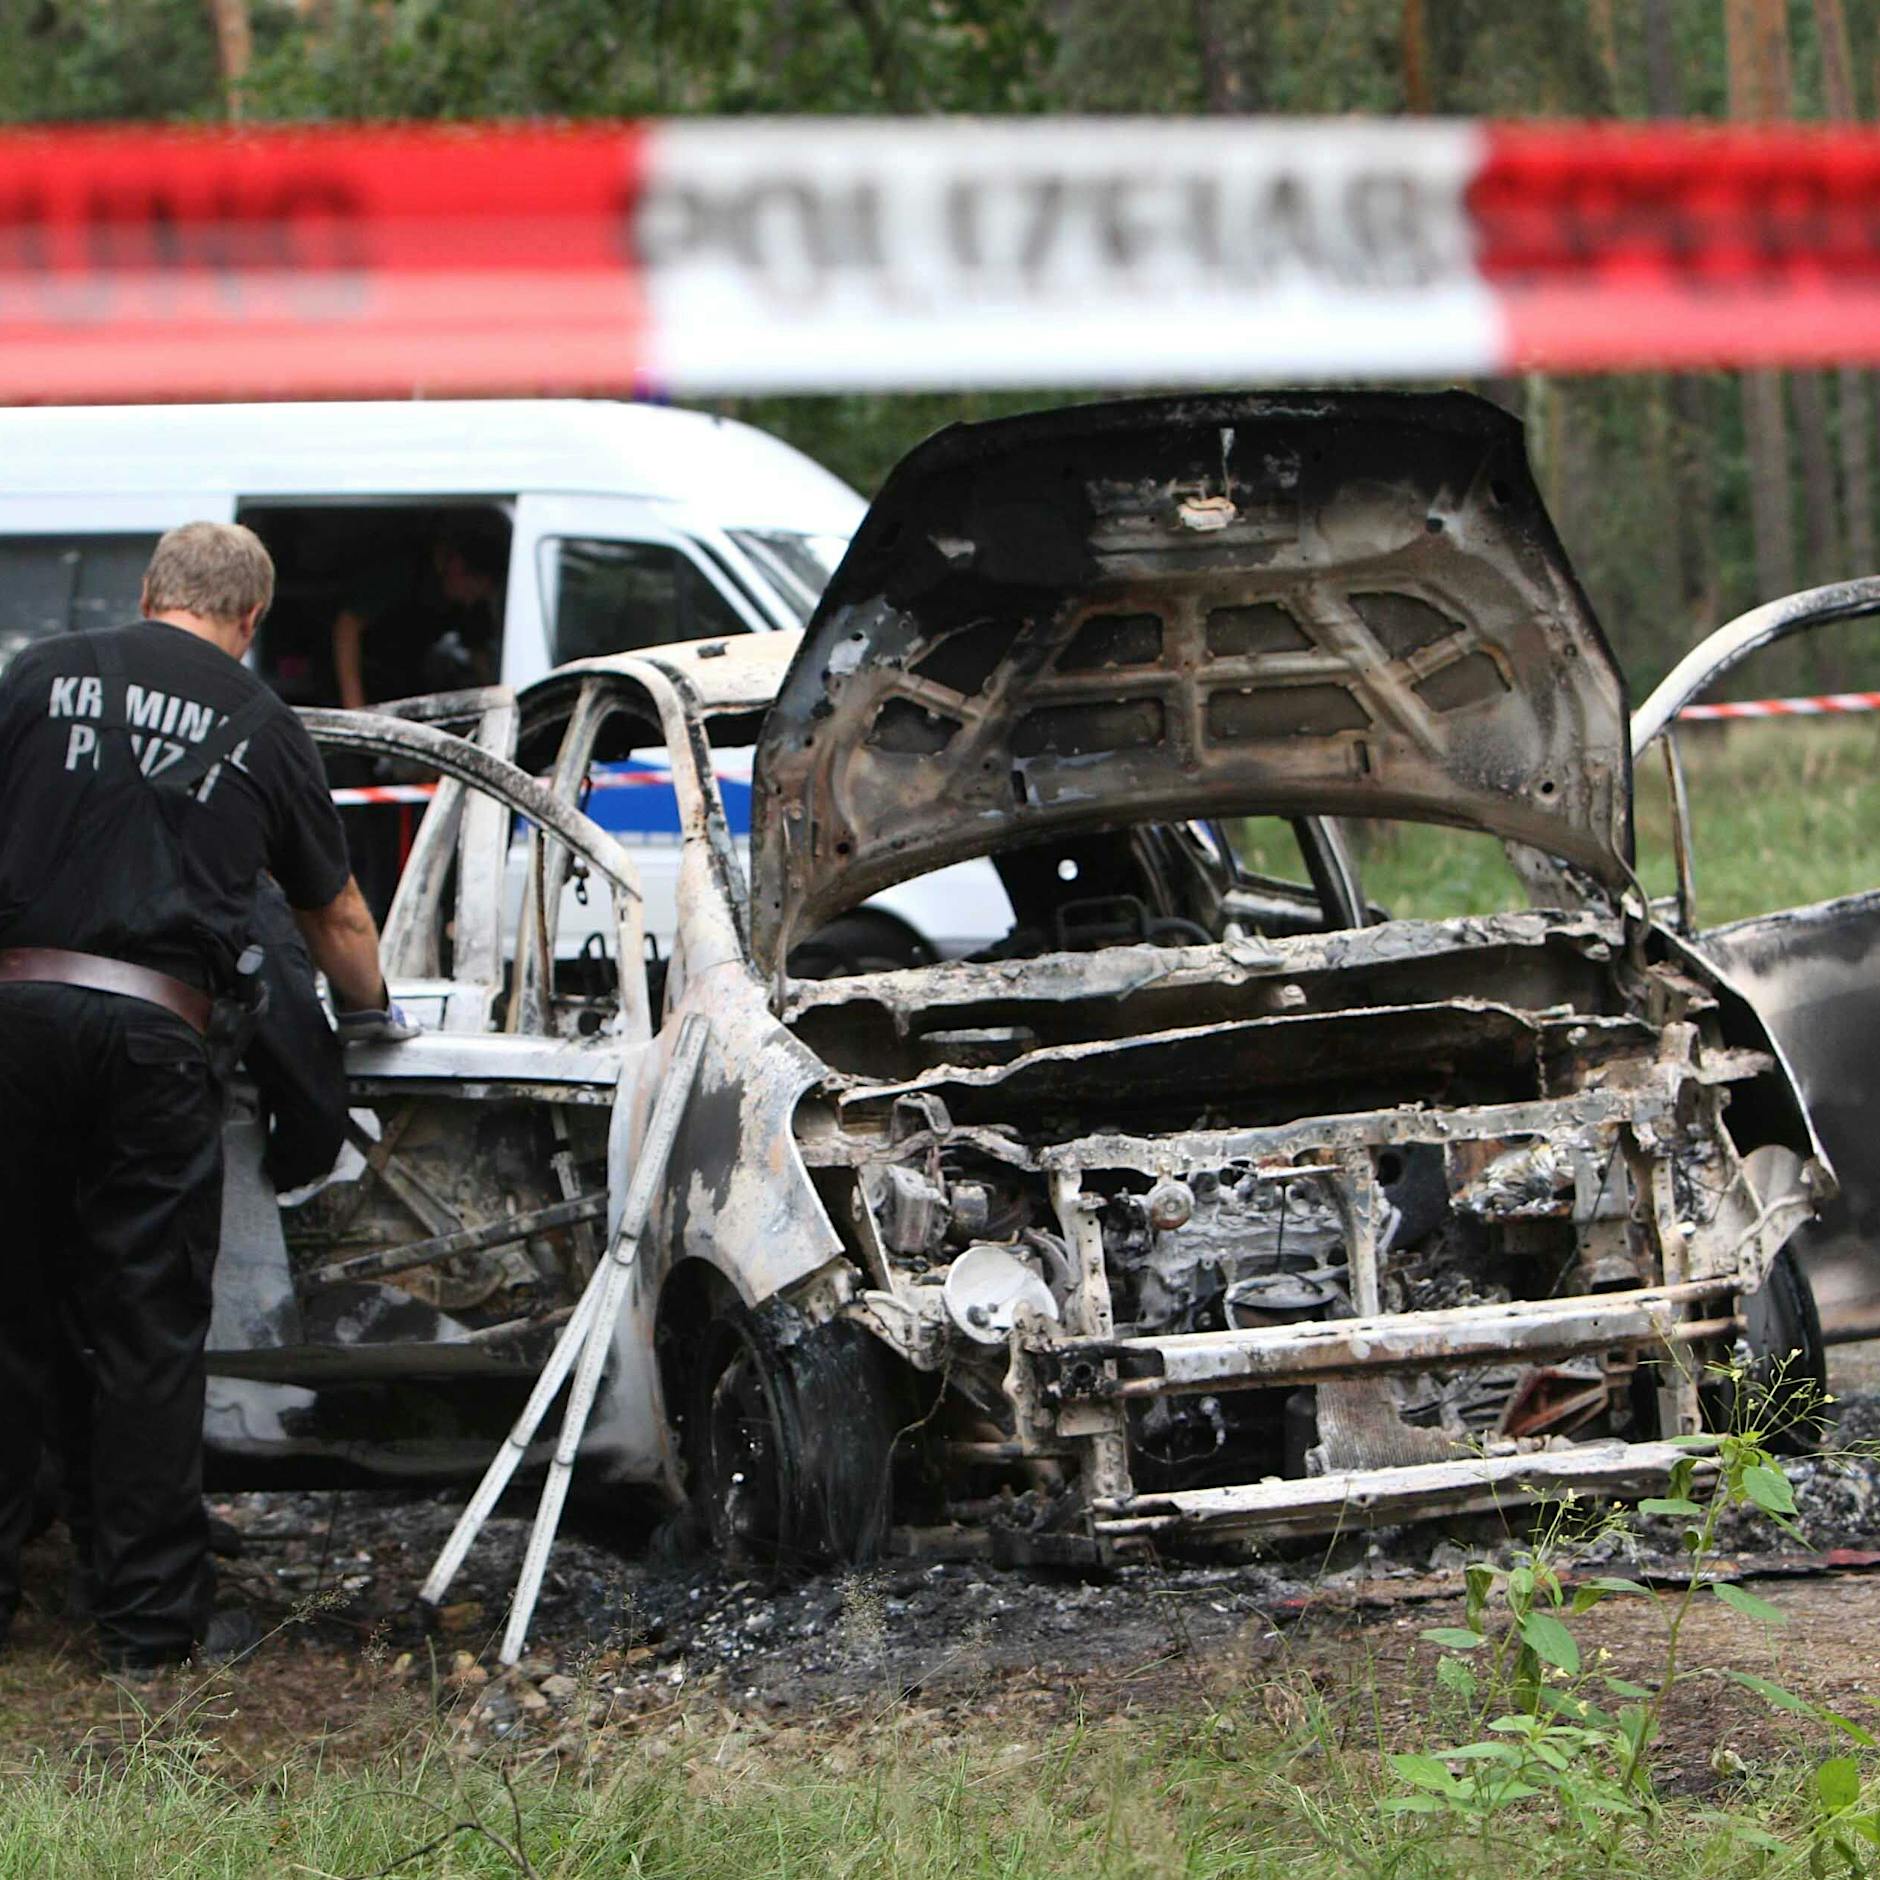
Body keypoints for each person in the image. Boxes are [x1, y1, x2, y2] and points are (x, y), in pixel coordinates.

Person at [0, 521, 407, 1674]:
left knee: (11, 1315)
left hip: (14, 1022)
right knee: (142, 1334)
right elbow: (334, 918)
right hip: (150, 1040)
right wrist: (371, 1014)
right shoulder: (261, 722)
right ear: (252, 619)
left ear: (147, 593)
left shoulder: (33, 675)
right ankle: (144, 1627)